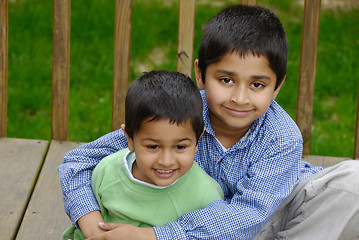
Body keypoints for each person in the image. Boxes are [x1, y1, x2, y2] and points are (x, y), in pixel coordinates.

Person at [58, 4, 359, 240]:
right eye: (226, 79)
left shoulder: (281, 137)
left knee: (353, 181)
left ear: (277, 86)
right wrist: (93, 226)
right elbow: (78, 161)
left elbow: (249, 215)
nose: (239, 98)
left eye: (257, 85)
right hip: (186, 225)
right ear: (201, 74)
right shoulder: (179, 113)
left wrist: (154, 236)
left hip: (273, 217)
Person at [61, 70, 224, 240]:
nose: (166, 161)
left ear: (198, 140)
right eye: (153, 146)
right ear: (129, 139)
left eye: (180, 147)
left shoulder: (206, 196)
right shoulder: (107, 171)